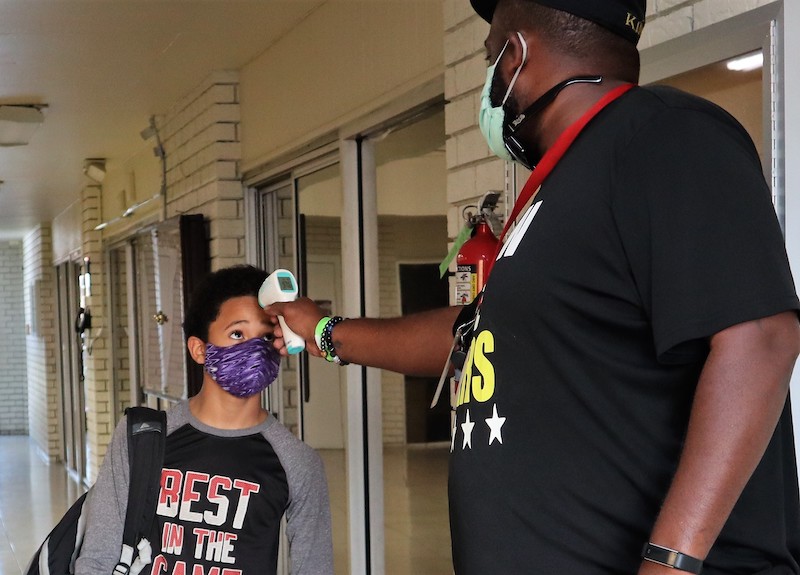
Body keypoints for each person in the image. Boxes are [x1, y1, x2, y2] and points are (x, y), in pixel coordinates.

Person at [264, 1, 800, 574]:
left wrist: (668, 565)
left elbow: (761, 336)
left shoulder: (665, 132)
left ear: (515, 56)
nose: (489, 84)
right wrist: (324, 332)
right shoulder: (563, 187)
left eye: (490, 57)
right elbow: (479, 333)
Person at [76, 265, 334, 575]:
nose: (255, 348)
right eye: (237, 333)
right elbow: (97, 558)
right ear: (199, 349)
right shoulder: (144, 437)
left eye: (267, 336)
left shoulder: (297, 462)